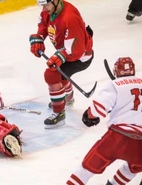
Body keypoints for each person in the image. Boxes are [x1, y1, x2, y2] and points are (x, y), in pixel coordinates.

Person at [66, 57, 142, 185]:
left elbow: (98, 110)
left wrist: (89, 116)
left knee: (85, 169)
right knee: (132, 170)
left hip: (117, 139)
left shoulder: (114, 85)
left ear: (116, 71)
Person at [29, 0, 94, 128]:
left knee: (51, 74)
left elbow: (77, 50)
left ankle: (59, 114)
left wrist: (61, 56)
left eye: (46, 4)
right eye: (42, 5)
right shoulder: (49, 10)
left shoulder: (70, 17)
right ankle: (67, 99)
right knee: (61, 79)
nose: (44, 8)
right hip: (68, 51)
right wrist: (39, 38)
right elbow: (44, 25)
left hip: (80, 57)